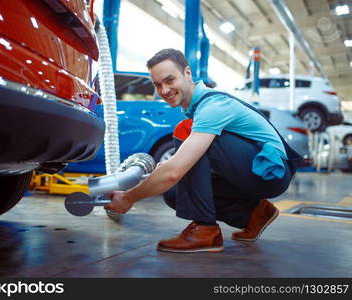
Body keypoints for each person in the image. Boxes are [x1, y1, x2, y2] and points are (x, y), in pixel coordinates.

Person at [104, 48, 302, 253]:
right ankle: (254, 214)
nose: (163, 91)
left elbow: (174, 171)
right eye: (158, 85)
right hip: (255, 172)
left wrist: (128, 198)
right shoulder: (199, 109)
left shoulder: (212, 106)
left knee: (186, 135)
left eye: (170, 80)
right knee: (175, 194)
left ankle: (205, 231)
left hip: (269, 173)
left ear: (187, 74)